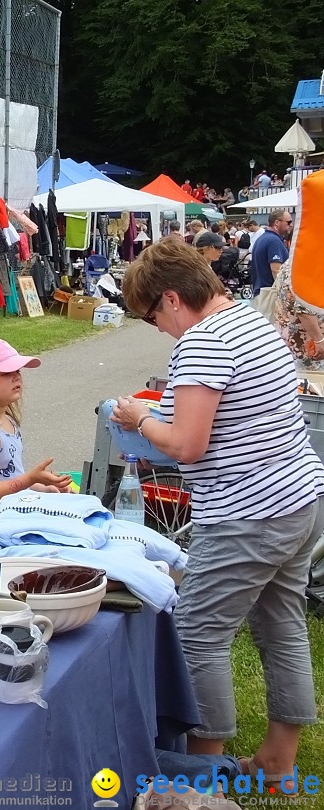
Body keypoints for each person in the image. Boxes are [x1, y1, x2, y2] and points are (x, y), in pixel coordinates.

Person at [111, 238, 324, 783]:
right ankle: (277, 762)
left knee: (198, 632)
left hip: (245, 515)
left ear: (174, 299)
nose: (156, 326)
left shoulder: (202, 342)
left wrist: (140, 420)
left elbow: (186, 444)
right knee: (282, 626)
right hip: (298, 501)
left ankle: (199, 771)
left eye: (151, 313)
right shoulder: (252, 324)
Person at [0, 339, 71, 500]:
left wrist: (46, 488)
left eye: (18, 371)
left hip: (13, 506)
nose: (16, 377)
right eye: (6, 373)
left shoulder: (6, 420)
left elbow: (12, 477)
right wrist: (31, 478)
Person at [274, 259, 324, 370]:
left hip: (290, 341)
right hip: (308, 346)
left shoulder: (293, 262)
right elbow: (304, 308)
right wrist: (319, 340)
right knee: (312, 383)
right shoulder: (308, 266)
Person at [250, 209, 293, 294]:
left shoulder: (262, 238)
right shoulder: (273, 241)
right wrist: (286, 293)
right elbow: (276, 270)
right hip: (270, 295)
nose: (291, 225)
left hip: (260, 293)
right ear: (277, 222)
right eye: (288, 222)